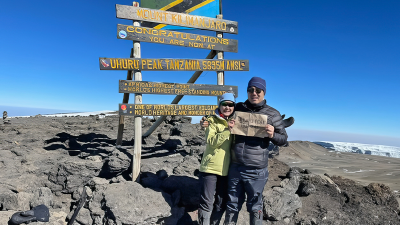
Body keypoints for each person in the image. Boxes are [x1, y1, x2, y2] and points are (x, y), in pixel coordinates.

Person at [201, 77, 288, 225]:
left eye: (258, 90)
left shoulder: (273, 114)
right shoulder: (239, 108)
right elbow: (222, 114)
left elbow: (284, 140)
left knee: (255, 207)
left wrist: (273, 134)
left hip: (256, 170)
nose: (254, 93)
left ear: (264, 92)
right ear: (247, 91)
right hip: (235, 167)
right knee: (232, 205)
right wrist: (206, 120)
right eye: (250, 90)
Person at [198, 92, 236, 225]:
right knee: (207, 203)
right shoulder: (211, 120)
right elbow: (212, 141)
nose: (227, 107)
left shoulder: (236, 121)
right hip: (210, 168)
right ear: (219, 105)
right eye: (224, 104)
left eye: (231, 105)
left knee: (221, 203)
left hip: (226, 170)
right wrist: (227, 130)